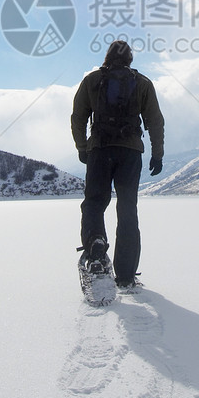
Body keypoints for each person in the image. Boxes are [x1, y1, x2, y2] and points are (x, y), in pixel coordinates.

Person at [70, 40, 164, 289]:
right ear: (130, 59)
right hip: (130, 153)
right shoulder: (142, 83)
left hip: (100, 150)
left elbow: (78, 117)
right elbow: (155, 120)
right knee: (127, 210)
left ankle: (96, 246)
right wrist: (158, 154)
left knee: (94, 203)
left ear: (107, 57)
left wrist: (82, 147)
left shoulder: (92, 81)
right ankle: (125, 276)